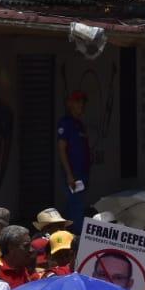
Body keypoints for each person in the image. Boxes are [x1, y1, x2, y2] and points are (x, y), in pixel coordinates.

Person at [56, 90, 91, 230]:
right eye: (77, 102)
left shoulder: (79, 124)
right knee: (76, 207)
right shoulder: (66, 123)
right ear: (69, 104)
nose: (80, 105)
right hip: (73, 174)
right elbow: (61, 149)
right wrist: (69, 174)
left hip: (83, 173)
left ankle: (69, 234)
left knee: (76, 206)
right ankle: (76, 237)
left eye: (82, 102)